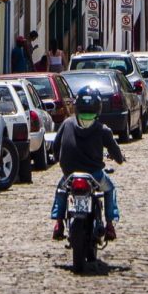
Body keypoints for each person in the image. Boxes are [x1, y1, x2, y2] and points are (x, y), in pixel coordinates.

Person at [50, 89, 124, 242]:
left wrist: (58, 158)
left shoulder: (67, 123)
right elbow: (115, 151)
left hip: (70, 174)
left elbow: (56, 146)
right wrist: (119, 158)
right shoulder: (102, 129)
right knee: (110, 189)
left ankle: (58, 223)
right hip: (94, 175)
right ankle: (110, 224)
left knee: (61, 191)